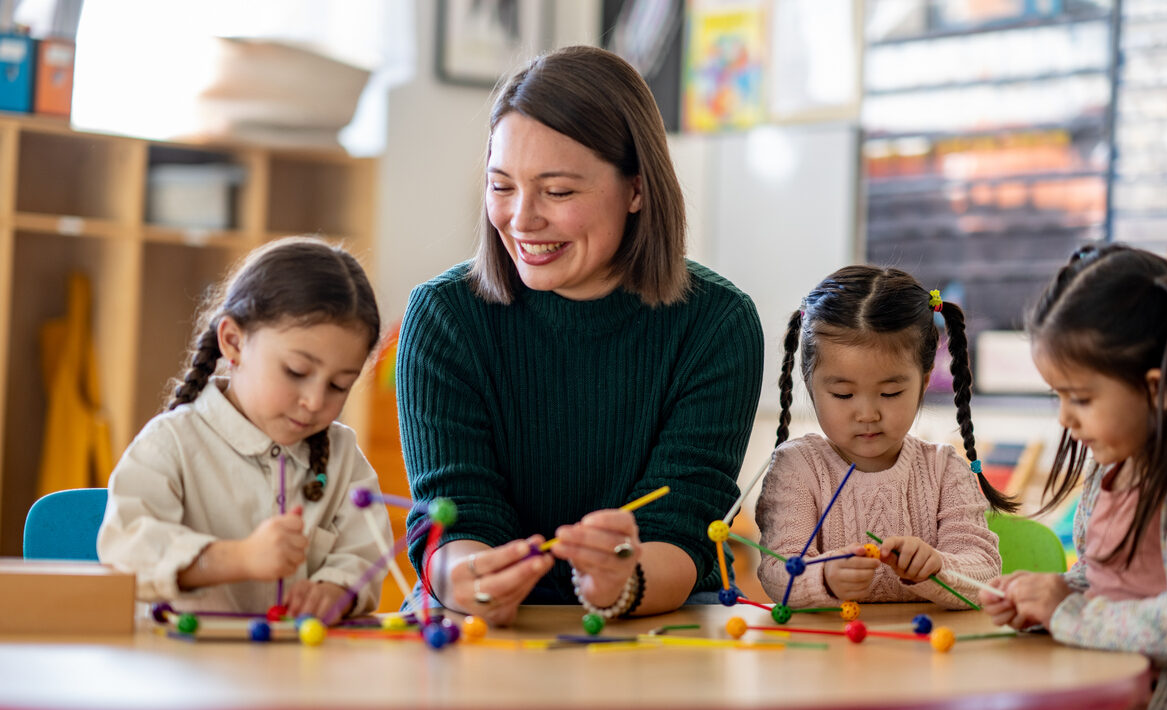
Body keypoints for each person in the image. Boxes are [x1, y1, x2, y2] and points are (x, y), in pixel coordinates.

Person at [396, 45, 763, 626]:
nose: (521, 218)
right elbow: (454, 517)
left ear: (637, 190)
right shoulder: (443, 315)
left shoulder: (716, 324)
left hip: (653, 627)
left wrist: (623, 581)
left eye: (558, 191)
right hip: (480, 633)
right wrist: (468, 579)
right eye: (501, 185)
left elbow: (685, 526)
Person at [980, 244, 1167, 709]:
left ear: (1155, 388)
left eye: (1081, 399)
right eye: (1057, 397)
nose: (1065, 418)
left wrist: (1068, 612)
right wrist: (1050, 597)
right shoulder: (1113, 462)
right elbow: (1104, 579)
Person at [98, 237, 388, 624]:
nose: (316, 401)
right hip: (182, 670)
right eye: (297, 372)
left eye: (339, 385)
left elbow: (366, 552)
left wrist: (336, 589)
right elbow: (127, 548)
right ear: (233, 342)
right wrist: (239, 558)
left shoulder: (343, 457)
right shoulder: (170, 444)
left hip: (299, 674)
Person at [756, 265, 1011, 609]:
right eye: (844, 395)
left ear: (922, 383)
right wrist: (824, 577)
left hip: (927, 652)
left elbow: (984, 573)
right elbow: (775, 570)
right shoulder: (797, 468)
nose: (867, 414)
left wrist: (937, 566)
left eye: (890, 393)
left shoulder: (943, 469)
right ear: (810, 383)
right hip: (828, 653)